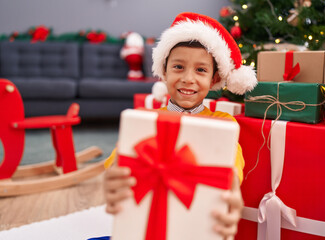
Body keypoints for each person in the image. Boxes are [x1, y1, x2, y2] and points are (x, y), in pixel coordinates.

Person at [104, 12, 257, 238]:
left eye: (201, 70)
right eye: (178, 67)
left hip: (198, 225)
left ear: (214, 79)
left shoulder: (223, 123)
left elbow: (231, 168)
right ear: (163, 72)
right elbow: (117, 162)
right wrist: (113, 179)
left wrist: (231, 194)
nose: (187, 78)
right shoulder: (146, 119)